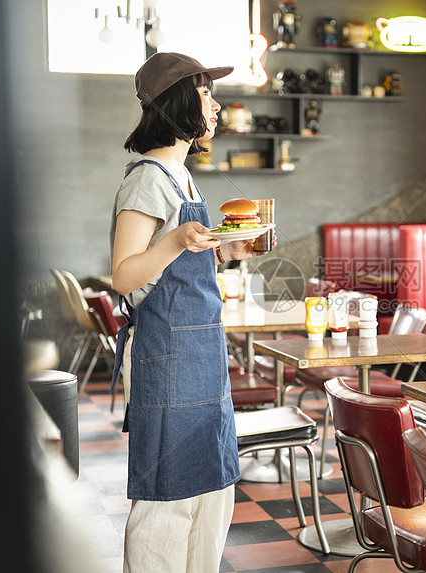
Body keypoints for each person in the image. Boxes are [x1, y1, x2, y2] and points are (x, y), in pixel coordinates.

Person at [109, 52, 267, 572]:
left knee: (212, 485)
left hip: (200, 349)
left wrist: (224, 250)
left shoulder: (182, 176)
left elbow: (178, 259)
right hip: (165, 352)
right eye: (207, 94)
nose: (217, 106)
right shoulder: (148, 178)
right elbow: (125, 275)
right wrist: (178, 239)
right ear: (179, 102)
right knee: (167, 498)